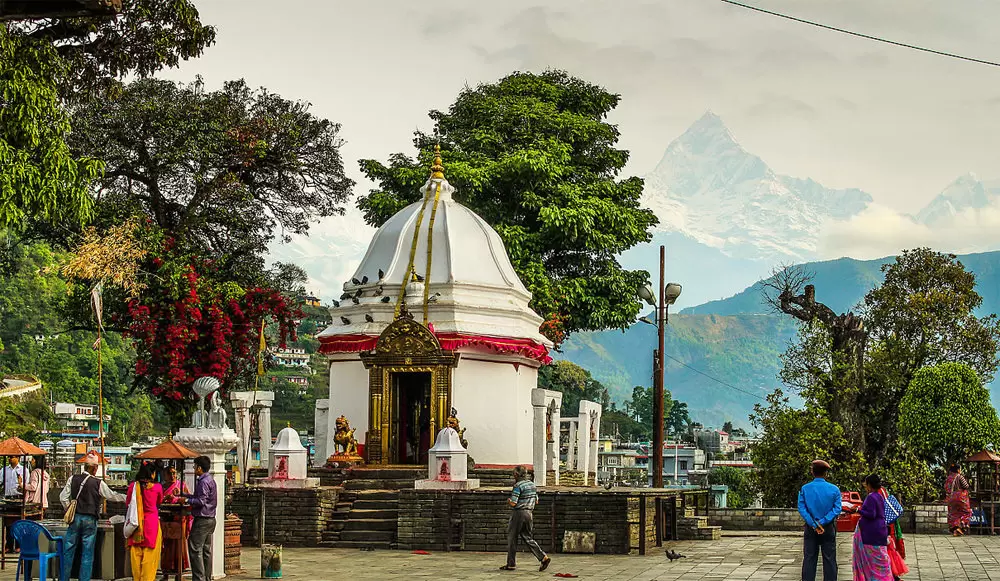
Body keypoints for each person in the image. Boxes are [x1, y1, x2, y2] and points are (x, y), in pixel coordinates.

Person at [61, 453, 127, 581]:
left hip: (75, 518)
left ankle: (64, 578)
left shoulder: (72, 478)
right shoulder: (98, 483)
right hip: (90, 519)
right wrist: (127, 498)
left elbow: (63, 497)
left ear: (84, 467)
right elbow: (111, 496)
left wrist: (69, 509)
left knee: (68, 550)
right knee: (87, 552)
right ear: (95, 468)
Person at [797, 459, 842, 581]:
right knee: (829, 558)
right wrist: (823, 521)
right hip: (828, 528)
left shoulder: (805, 489)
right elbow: (837, 509)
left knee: (809, 558)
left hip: (811, 528)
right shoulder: (834, 489)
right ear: (826, 473)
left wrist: (813, 523)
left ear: (812, 472)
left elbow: (801, 507)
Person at [499, 466, 550, 572]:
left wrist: (508, 501)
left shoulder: (518, 486)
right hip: (529, 513)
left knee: (512, 538)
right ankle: (543, 557)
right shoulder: (532, 485)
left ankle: (511, 564)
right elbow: (536, 501)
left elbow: (513, 502)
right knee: (527, 537)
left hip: (519, 513)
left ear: (516, 475)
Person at [128, 462, 164, 581]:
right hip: (151, 524)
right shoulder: (157, 487)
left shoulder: (133, 486)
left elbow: (128, 502)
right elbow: (159, 502)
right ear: (152, 474)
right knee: (149, 559)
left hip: (135, 524)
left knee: (136, 557)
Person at [183, 456, 217, 581]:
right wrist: (185, 495)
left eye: (194, 466)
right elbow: (201, 497)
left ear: (199, 467)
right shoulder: (209, 479)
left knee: (195, 549)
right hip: (210, 518)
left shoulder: (203, 481)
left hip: (202, 519)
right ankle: (206, 577)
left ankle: (199, 578)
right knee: (205, 550)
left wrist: (186, 500)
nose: (193, 468)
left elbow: (201, 501)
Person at [853, 474, 892, 581]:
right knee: (882, 561)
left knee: (871, 564)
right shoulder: (879, 496)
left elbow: (871, 514)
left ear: (869, 485)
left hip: (870, 535)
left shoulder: (871, 497)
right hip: (880, 531)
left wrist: (857, 510)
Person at [160, 465, 191, 581]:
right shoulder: (162, 487)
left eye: (174, 473)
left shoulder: (181, 485)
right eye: (170, 473)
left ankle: (180, 573)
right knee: (166, 547)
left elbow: (187, 501)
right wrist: (165, 498)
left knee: (179, 547)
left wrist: (179, 497)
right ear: (165, 475)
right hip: (166, 519)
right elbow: (158, 501)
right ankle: (165, 574)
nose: (173, 476)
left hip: (179, 519)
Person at [877, 485, 908, 580]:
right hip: (890, 524)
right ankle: (894, 576)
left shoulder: (877, 493)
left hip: (886, 525)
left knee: (887, 552)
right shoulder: (884, 490)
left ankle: (891, 575)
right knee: (891, 551)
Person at [3, 456, 27, 552]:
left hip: (19, 498)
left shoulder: (23, 470)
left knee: (19, 523)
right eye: (9, 457)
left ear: (18, 458)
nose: (10, 459)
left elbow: (26, 484)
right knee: (8, 523)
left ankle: (18, 545)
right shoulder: (4, 470)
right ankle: (8, 545)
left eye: (12, 457)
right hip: (8, 498)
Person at [945, 464, 972, 536]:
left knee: (954, 513)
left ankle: (955, 529)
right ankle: (963, 523)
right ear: (958, 470)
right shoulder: (959, 476)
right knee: (966, 512)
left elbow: (946, 488)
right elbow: (966, 486)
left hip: (951, 498)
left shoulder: (948, 478)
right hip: (960, 498)